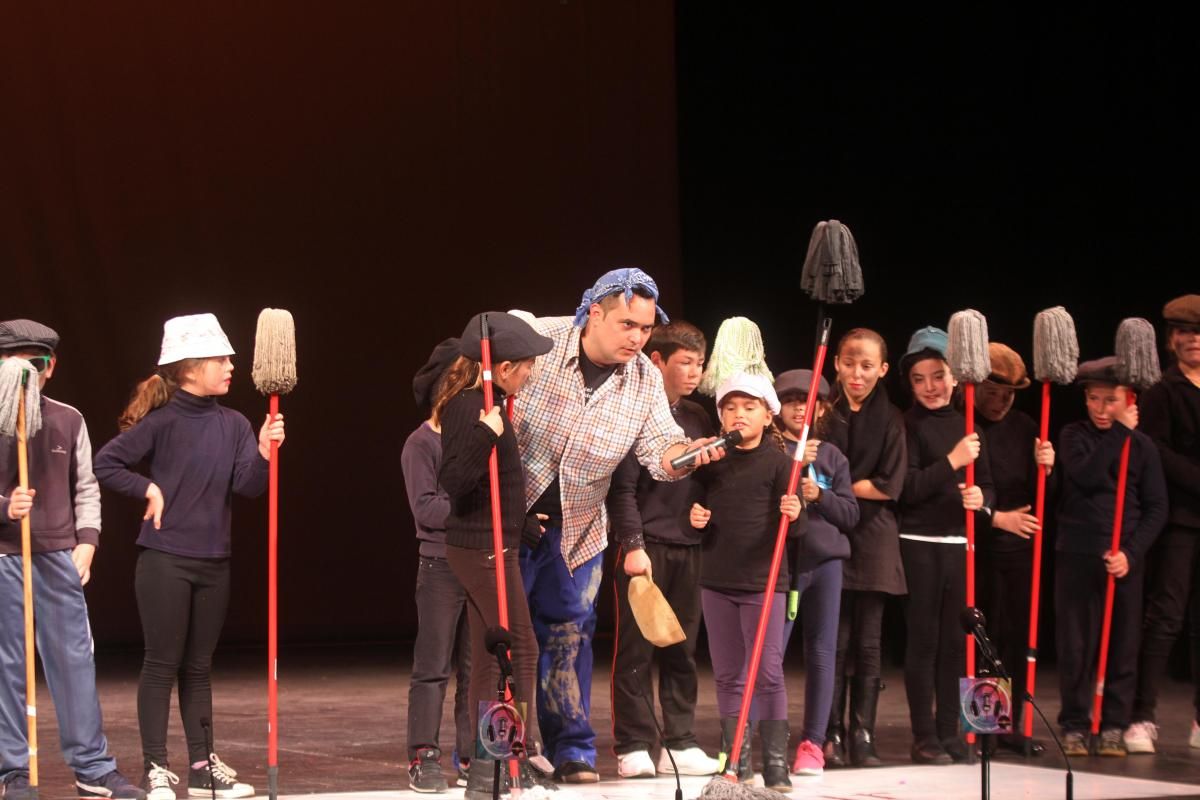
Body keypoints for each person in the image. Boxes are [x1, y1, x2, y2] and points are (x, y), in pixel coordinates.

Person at [512, 268, 721, 783]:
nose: (637, 338)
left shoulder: (645, 378)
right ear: (594, 314)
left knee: (569, 637)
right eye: (628, 324)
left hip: (578, 525)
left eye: (646, 329)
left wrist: (691, 455)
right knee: (502, 638)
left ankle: (572, 749)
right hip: (508, 521)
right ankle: (499, 747)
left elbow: (659, 452)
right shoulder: (537, 341)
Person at [94, 313, 285, 800]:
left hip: (213, 561)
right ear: (188, 369)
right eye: (220, 359)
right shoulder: (161, 423)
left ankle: (202, 765)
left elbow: (247, 487)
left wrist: (263, 451)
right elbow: (107, 462)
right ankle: (156, 767)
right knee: (162, 662)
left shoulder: (235, 423)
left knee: (199, 667)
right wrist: (148, 487)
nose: (230, 365)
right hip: (165, 560)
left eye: (228, 357)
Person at [0, 319, 145, 800]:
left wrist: (87, 540)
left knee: (74, 659)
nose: (26, 371)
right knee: (9, 664)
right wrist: (4, 507)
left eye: (35, 363)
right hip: (3, 556)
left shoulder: (68, 419)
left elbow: (85, 486)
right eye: (13, 361)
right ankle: (12, 769)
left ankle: (92, 764)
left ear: (50, 367)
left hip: (57, 553)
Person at [437, 312, 557, 799]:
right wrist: (488, 432)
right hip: (481, 549)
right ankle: (513, 759)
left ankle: (488, 769)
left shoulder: (494, 404)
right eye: (526, 366)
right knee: (521, 648)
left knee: (491, 660)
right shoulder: (471, 408)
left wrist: (520, 522)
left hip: (496, 541)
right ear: (503, 367)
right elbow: (455, 481)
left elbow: (494, 486)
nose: (530, 374)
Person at [606, 320, 720, 779]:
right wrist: (633, 545)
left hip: (686, 547)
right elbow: (622, 490)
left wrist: (703, 510)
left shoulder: (697, 417)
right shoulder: (633, 413)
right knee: (635, 651)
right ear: (657, 361)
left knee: (681, 648)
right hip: (644, 548)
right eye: (685, 363)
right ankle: (633, 743)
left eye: (699, 364)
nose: (694, 373)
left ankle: (680, 740)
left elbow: (709, 481)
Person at [690, 372, 802, 792]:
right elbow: (694, 508)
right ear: (720, 416)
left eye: (749, 407)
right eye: (730, 407)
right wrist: (695, 517)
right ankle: (735, 757)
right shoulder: (712, 461)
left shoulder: (780, 463)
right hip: (717, 579)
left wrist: (795, 510)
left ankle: (776, 764)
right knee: (728, 675)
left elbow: (799, 527)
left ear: (768, 414)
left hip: (763, 581)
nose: (739, 414)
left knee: (768, 672)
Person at [1055, 357, 1166, 757]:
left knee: (1123, 643)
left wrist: (1131, 554)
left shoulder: (1143, 447)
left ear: (1128, 400)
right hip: (1077, 553)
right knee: (1077, 644)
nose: (1102, 410)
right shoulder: (1074, 436)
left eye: (1111, 401)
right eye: (1094, 400)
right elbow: (1086, 475)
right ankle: (1075, 724)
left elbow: (1157, 508)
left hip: (1122, 559)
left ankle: (1115, 725)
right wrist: (1119, 433)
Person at [897, 326, 994, 765]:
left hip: (959, 544)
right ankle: (924, 737)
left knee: (957, 641)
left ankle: (952, 732)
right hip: (918, 541)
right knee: (923, 641)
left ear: (955, 377)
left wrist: (982, 500)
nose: (930, 387)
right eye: (919, 379)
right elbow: (908, 487)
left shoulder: (970, 424)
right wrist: (952, 463)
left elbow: (987, 486)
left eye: (937, 376)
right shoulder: (908, 424)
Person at [823, 329, 907, 768]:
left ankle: (864, 733)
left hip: (874, 538)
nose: (857, 373)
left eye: (867, 365)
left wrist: (839, 489)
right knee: (834, 640)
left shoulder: (892, 417)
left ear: (883, 370)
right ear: (836, 362)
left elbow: (890, 484)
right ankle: (830, 732)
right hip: (831, 533)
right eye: (850, 362)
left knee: (869, 642)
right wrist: (845, 492)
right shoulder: (823, 411)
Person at [771, 370, 858, 778]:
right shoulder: (771, 448)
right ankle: (766, 737)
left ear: (820, 408)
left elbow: (851, 514)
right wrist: (793, 465)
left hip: (826, 564)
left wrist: (819, 495)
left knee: (822, 653)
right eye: (789, 401)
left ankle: (812, 743)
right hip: (785, 564)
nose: (797, 408)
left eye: (806, 402)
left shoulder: (832, 456)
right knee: (772, 653)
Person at [971, 343, 1055, 755]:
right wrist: (996, 517)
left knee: (1016, 637)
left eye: (1009, 393)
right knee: (984, 638)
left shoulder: (1025, 427)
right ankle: (985, 726)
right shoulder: (966, 424)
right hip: (979, 548)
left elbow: (1046, 496)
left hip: (1019, 550)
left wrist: (1049, 469)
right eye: (993, 390)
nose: (1001, 400)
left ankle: (1011, 726)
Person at [1128, 295, 1200, 753]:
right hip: (1179, 519)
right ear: (1172, 340)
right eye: (1185, 333)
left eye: (1199, 333)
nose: (1194, 340)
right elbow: (1154, 448)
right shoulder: (1164, 390)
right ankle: (1142, 716)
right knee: (1166, 617)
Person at [403, 337, 473, 791]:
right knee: (434, 665)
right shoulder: (421, 444)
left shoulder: (482, 438)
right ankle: (423, 755)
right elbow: (427, 509)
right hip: (441, 566)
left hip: (482, 563)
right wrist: (480, 514)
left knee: (479, 665)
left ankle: (478, 751)